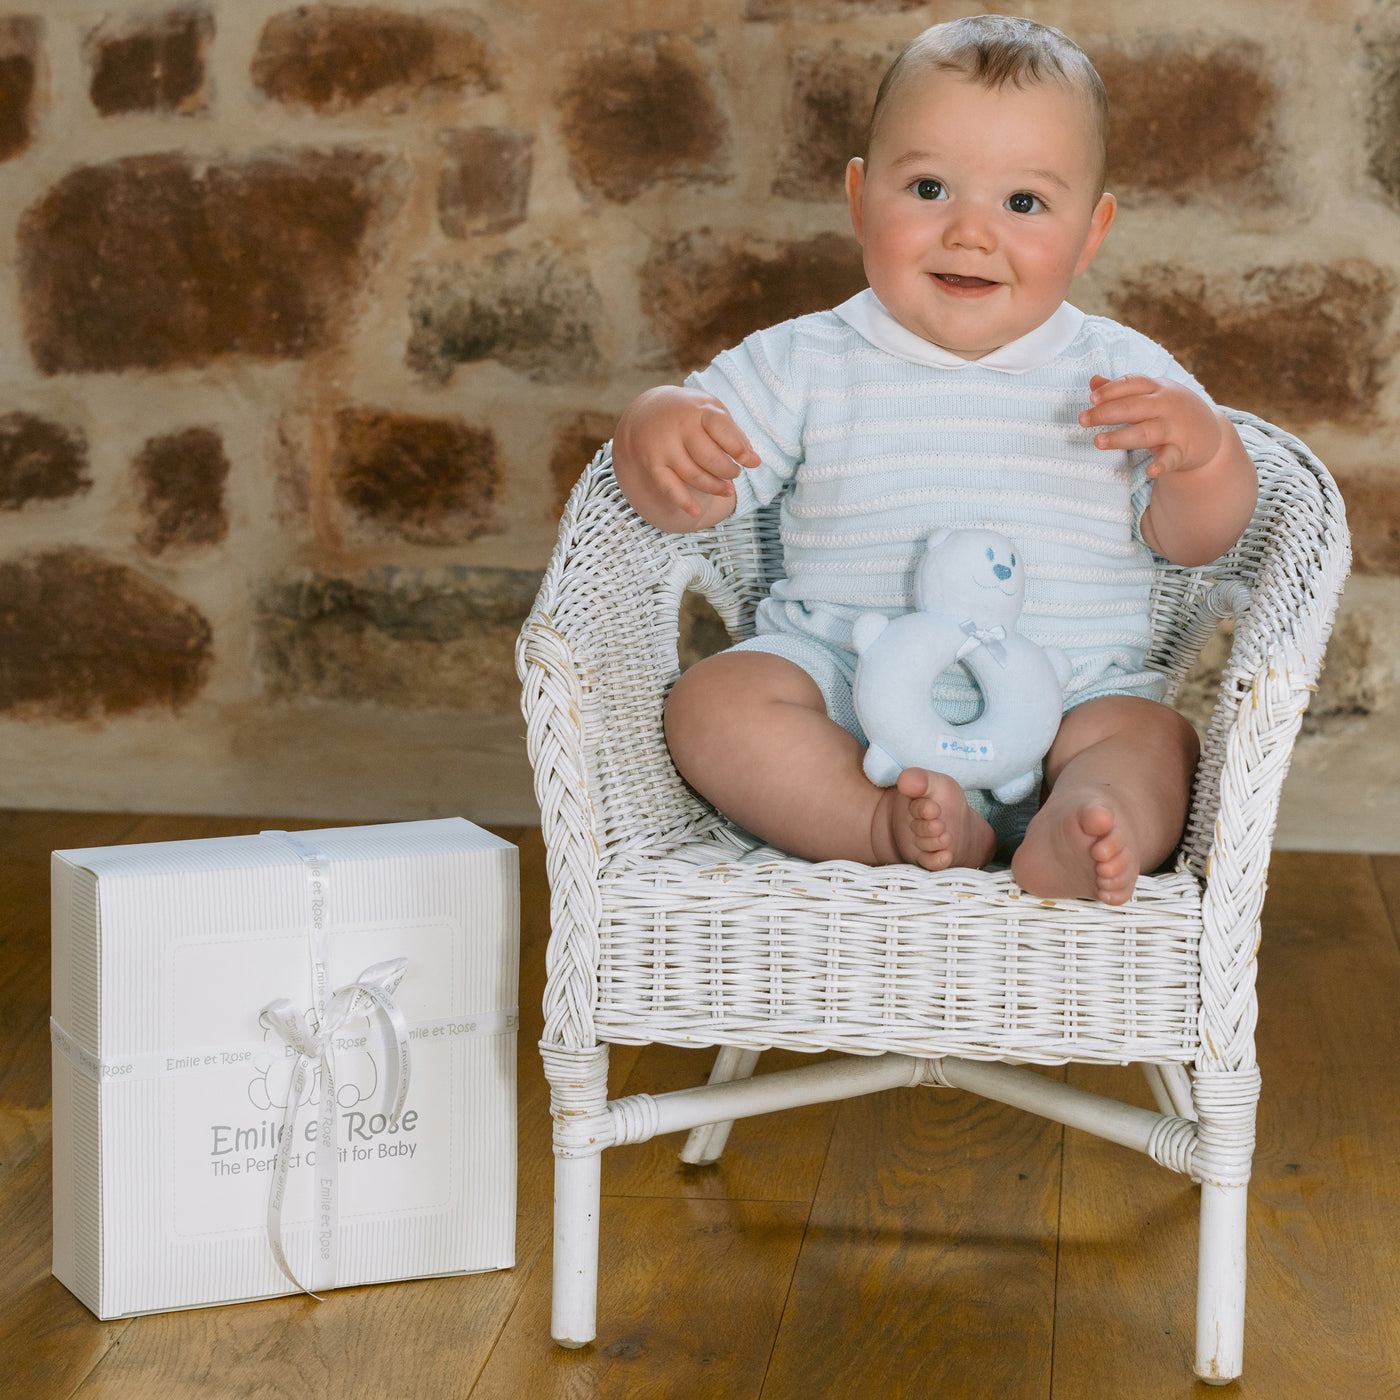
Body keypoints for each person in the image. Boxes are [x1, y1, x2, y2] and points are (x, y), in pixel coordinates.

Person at [610, 15, 1258, 905]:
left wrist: (1205, 457)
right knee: (713, 704)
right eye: (928, 188)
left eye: (1023, 204)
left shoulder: (1124, 375)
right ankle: (881, 824)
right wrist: (652, 433)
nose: (970, 232)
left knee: (1153, 741)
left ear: (1091, 232)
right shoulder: (805, 361)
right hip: (844, 693)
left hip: (1069, 700)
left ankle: (1083, 821)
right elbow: (686, 499)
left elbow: (1198, 541)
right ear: (859, 198)